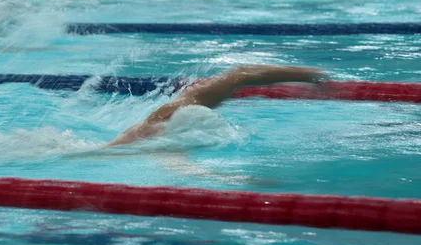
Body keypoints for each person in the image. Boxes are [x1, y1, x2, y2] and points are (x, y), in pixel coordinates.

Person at [106, 65, 325, 147]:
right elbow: (181, 167)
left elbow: (238, 74)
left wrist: (305, 74)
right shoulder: (167, 128)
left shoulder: (181, 107)